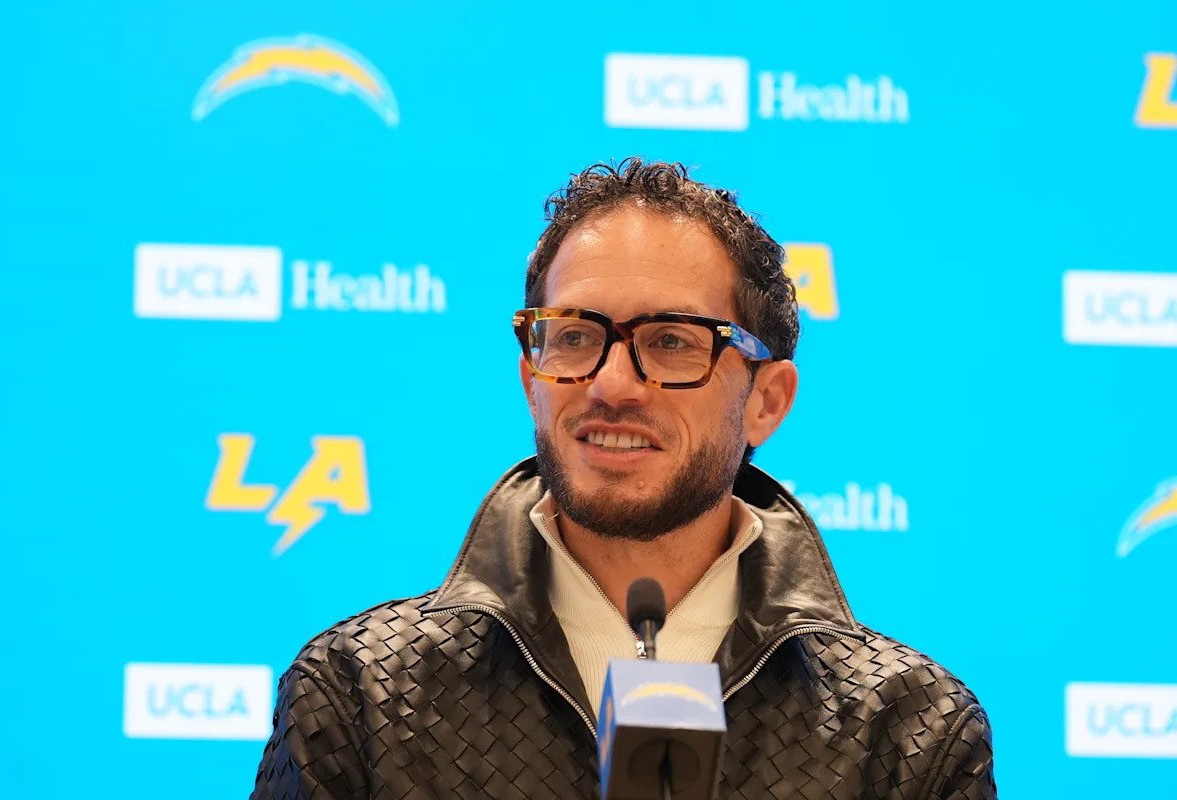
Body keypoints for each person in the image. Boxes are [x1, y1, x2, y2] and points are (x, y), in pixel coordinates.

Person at [251, 159, 997, 799]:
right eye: (575, 336)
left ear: (766, 402)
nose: (611, 383)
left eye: (671, 341)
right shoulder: (361, 696)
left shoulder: (905, 729)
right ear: (531, 381)